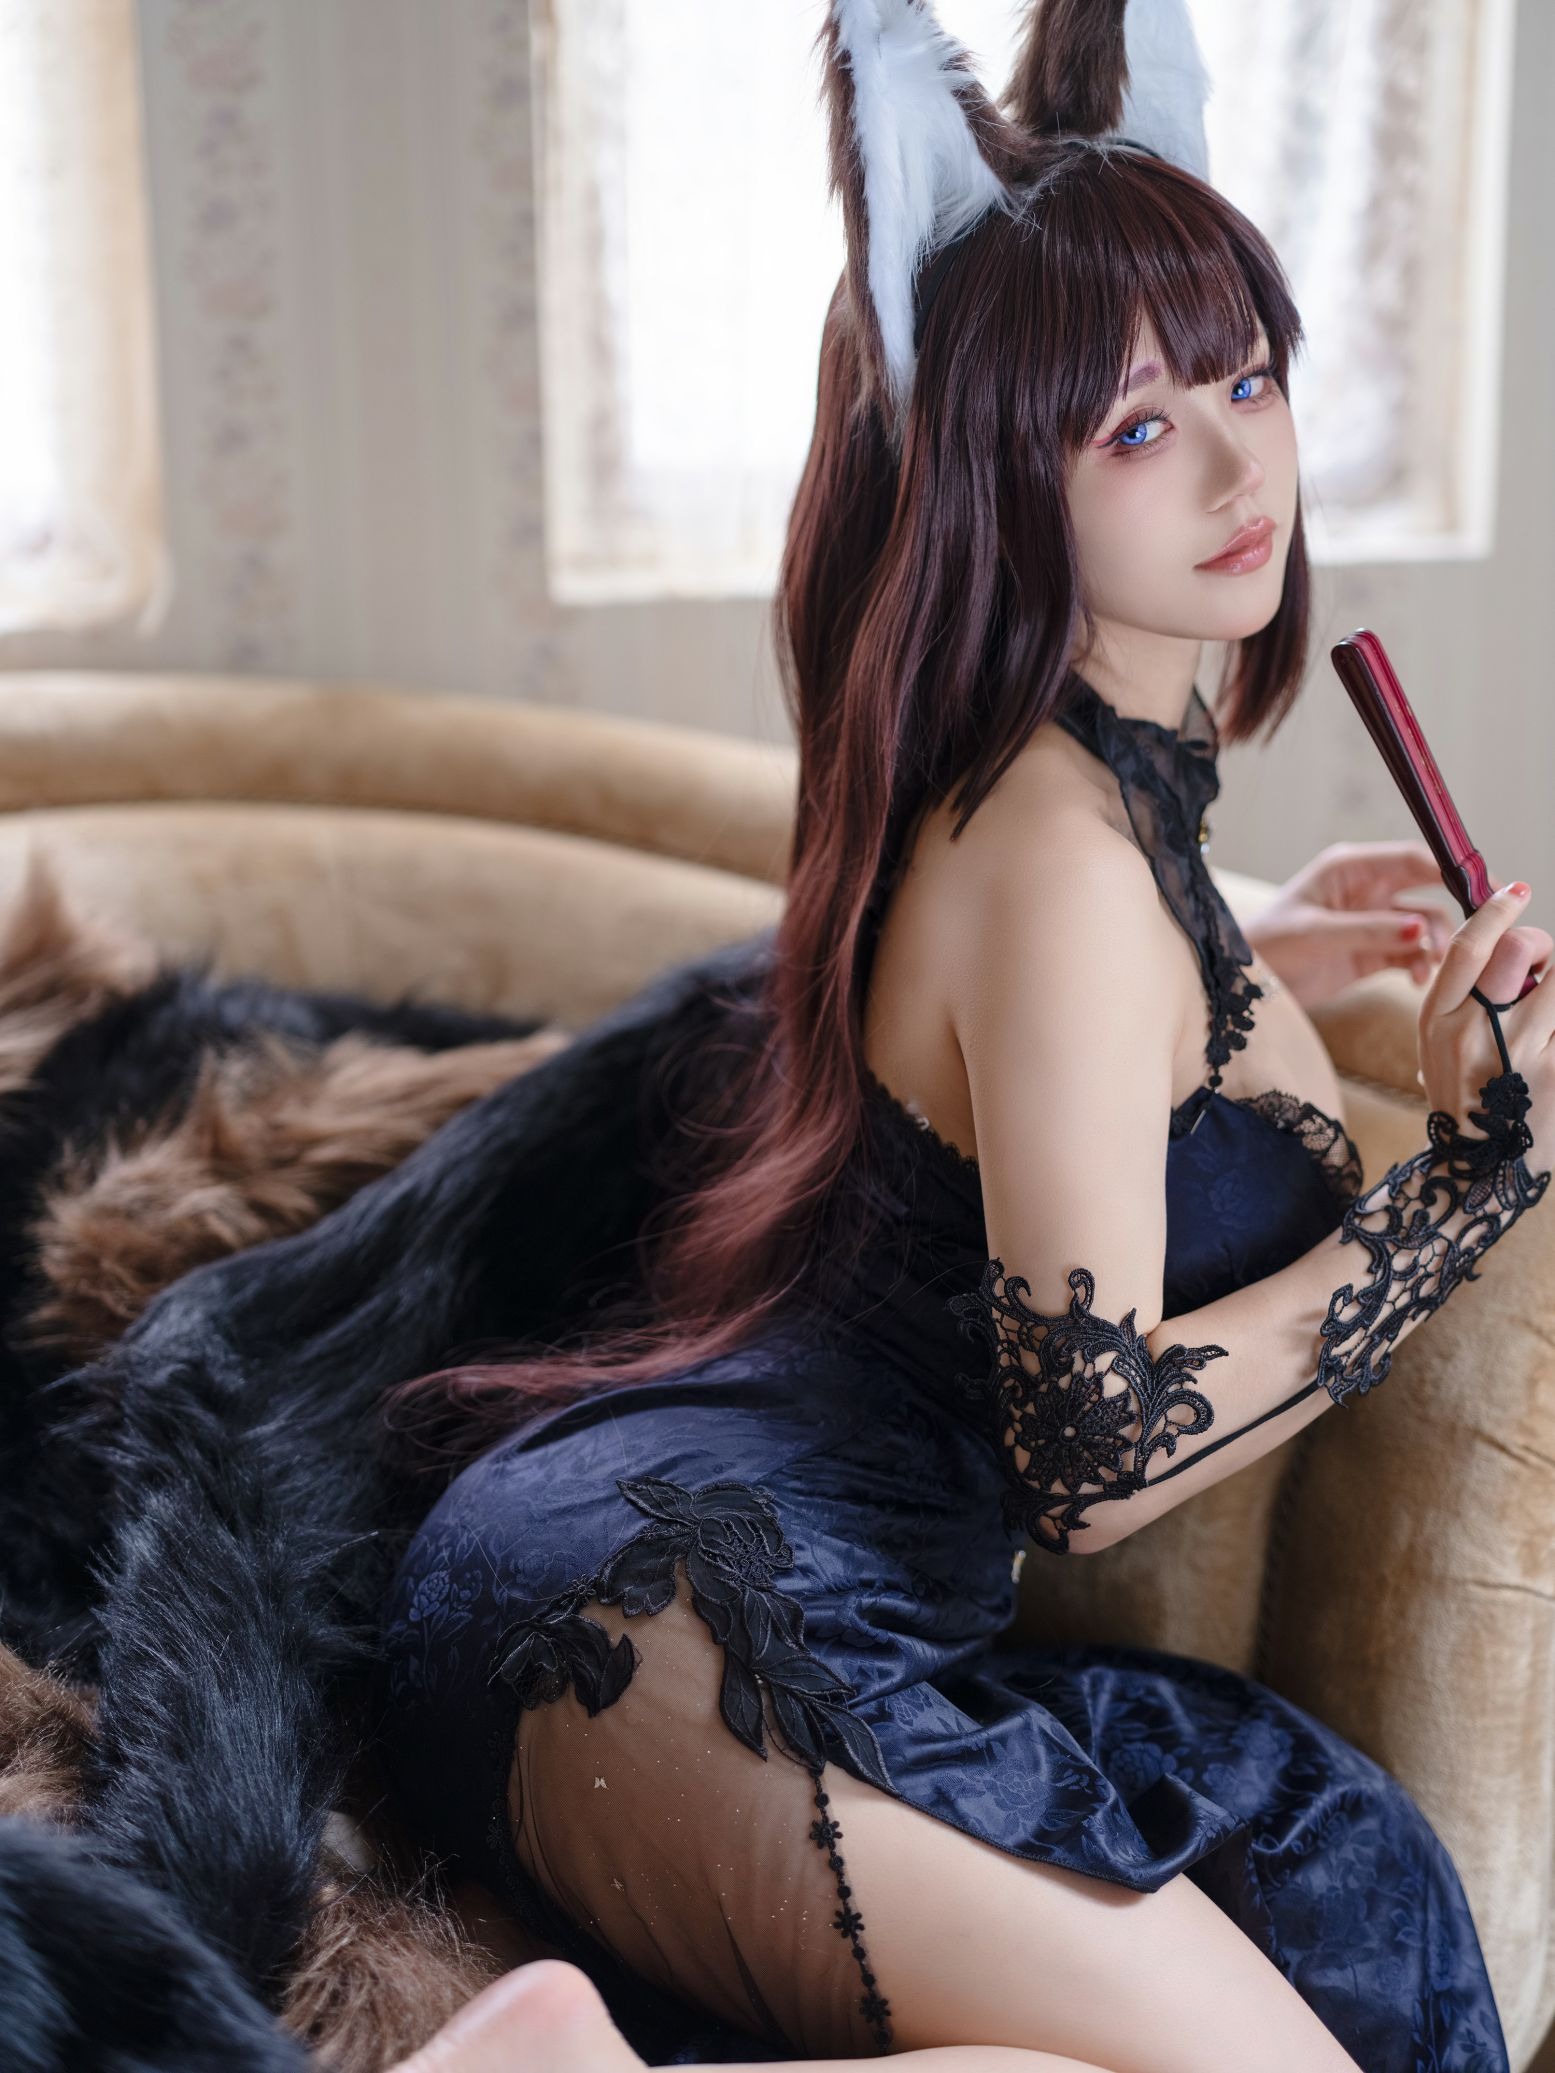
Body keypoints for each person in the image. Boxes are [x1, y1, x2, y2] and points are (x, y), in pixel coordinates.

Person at [375, 3, 1555, 2067]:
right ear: (1004, 468)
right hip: (682, 1612)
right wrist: (1462, 1190)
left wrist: (1256, 950)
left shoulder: (1070, 804)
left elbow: (1031, 1029)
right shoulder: (1061, 862)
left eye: (1245, 377)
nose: (1240, 464)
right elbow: (1092, 1458)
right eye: (1132, 428)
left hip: (689, 1581)